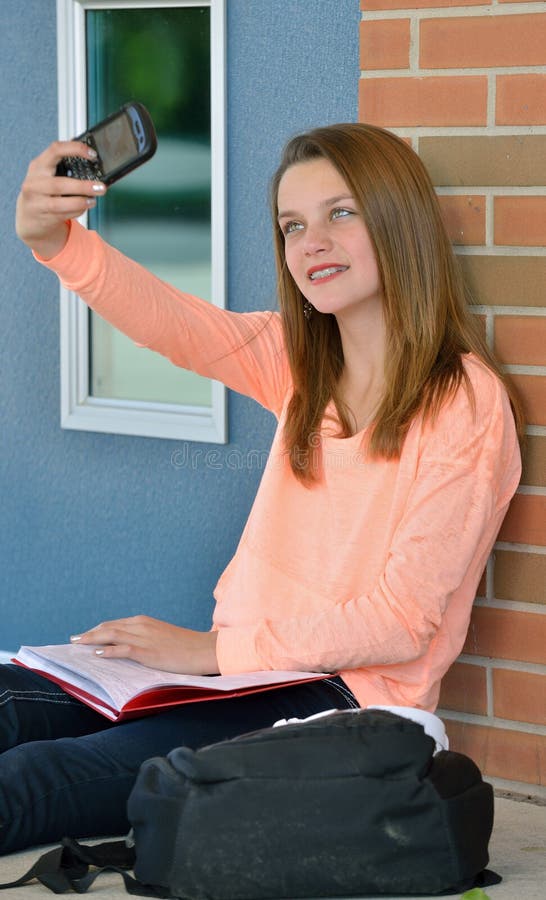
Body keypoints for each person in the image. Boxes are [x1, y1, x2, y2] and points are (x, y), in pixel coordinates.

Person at [3, 123, 522, 854]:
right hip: (230, 675)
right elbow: (177, 326)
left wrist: (214, 650)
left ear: (398, 220)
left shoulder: (462, 402)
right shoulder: (301, 362)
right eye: (292, 224)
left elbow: (402, 621)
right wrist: (56, 241)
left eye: (342, 213)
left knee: (32, 779)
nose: (312, 241)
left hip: (333, 701)